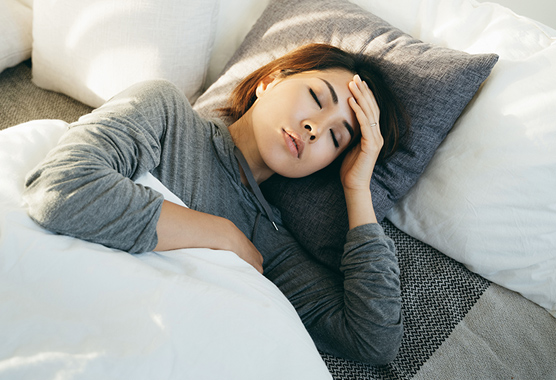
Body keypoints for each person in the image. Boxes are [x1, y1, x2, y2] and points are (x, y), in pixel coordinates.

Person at [23, 44, 405, 365]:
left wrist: (357, 188)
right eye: (317, 97)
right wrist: (220, 234)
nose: (315, 128)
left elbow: (372, 339)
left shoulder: (272, 246)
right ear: (271, 81)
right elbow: (60, 189)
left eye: (336, 137)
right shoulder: (168, 114)